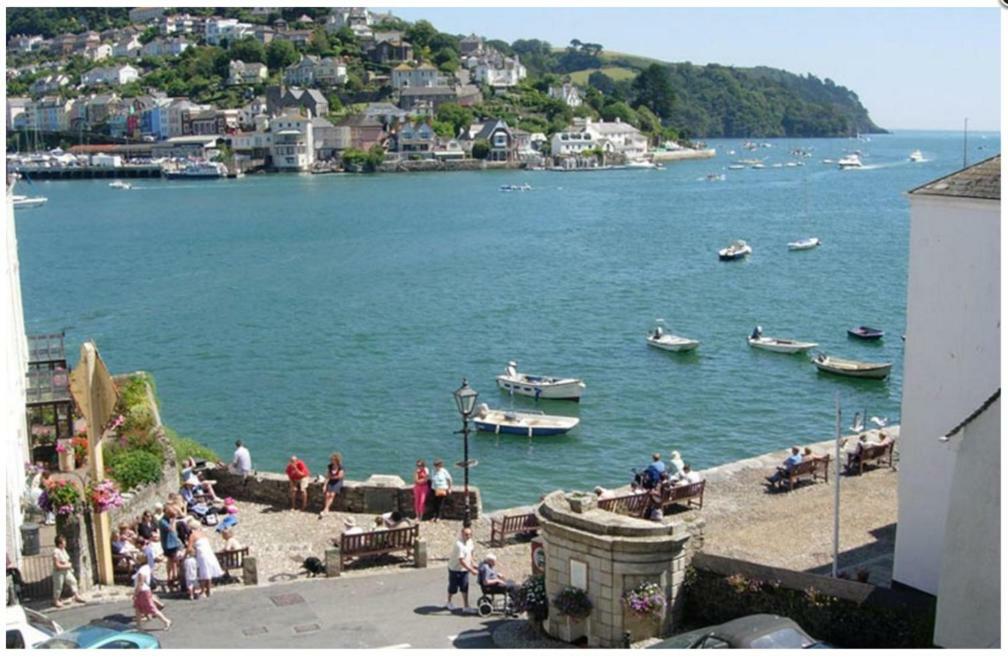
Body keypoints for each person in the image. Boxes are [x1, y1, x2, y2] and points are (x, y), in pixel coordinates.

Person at [187, 520, 224, 597]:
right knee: (208, 572)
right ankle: (209, 589)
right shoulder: (203, 534)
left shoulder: (193, 535)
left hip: (202, 555)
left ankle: (203, 590)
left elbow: (189, 548)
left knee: (203, 573)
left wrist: (187, 554)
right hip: (209, 553)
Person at [446, 526, 478, 613]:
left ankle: (466, 606)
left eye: (470, 534)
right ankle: (449, 602)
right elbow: (461, 561)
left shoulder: (470, 542)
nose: (468, 536)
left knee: (465, 587)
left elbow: (471, 553)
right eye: (466, 534)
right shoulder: (459, 545)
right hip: (455, 569)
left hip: (464, 570)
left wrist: (472, 562)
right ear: (462, 534)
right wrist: (471, 570)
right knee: (453, 588)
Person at [133, 559, 171, 630]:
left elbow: (140, 583)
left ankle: (166, 621)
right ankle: (139, 625)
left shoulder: (142, 571)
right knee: (137, 608)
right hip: (144, 591)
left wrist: (135, 593)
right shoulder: (146, 567)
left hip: (143, 592)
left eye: (137, 558)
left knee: (151, 608)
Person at [51, 536, 85, 608]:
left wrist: (68, 565)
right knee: (58, 587)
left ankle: (76, 596)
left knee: (73, 581)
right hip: (59, 572)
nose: (65, 543)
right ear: (60, 543)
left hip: (66, 571)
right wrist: (67, 566)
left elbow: (66, 560)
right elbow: (57, 565)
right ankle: (55, 600)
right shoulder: (56, 552)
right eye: (64, 541)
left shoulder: (63, 550)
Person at [158, 505, 182, 588]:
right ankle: (170, 577)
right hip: (168, 544)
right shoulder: (162, 521)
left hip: (174, 542)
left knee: (174, 560)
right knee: (171, 560)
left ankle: (174, 576)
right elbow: (171, 529)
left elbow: (174, 531)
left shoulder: (168, 519)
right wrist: (173, 520)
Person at [319, 453, 345, 519]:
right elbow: (327, 476)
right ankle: (326, 509)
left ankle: (326, 509)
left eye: (333, 460)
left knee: (332, 495)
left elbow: (340, 476)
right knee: (327, 494)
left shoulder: (340, 467)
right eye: (331, 460)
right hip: (331, 481)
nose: (332, 461)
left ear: (337, 460)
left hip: (337, 482)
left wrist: (331, 477)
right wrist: (324, 485)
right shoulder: (329, 466)